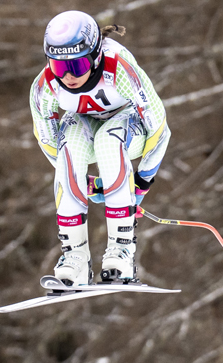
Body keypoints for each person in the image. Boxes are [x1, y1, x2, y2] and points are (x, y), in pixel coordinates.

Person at [31, 10, 170, 285]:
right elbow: (48, 141)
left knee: (108, 141)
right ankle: (75, 258)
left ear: (95, 57)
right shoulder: (45, 86)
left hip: (128, 125)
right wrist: (81, 181)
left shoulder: (119, 69)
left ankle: (121, 250)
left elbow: (159, 129)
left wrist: (141, 181)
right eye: (60, 67)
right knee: (68, 149)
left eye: (78, 66)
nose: (69, 77)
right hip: (84, 123)